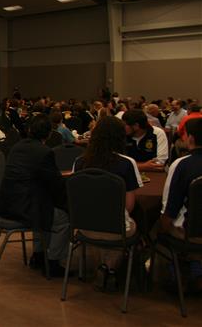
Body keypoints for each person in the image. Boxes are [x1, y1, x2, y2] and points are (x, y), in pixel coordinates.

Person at [73, 116, 143, 291]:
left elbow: (76, 199)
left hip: (84, 226)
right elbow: (129, 205)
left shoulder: (80, 162)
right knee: (133, 223)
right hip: (116, 228)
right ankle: (111, 268)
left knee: (108, 225)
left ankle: (104, 267)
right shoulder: (127, 163)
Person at [0, 114, 69, 276]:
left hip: (8, 204)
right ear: (49, 134)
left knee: (44, 207)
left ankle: (38, 254)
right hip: (26, 208)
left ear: (29, 130)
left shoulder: (17, 146)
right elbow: (55, 183)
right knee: (62, 218)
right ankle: (53, 261)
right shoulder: (44, 152)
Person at [160, 118, 202, 290]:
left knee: (156, 227)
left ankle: (176, 271)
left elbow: (170, 207)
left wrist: (163, 225)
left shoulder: (182, 164)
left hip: (190, 232)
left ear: (190, 138)